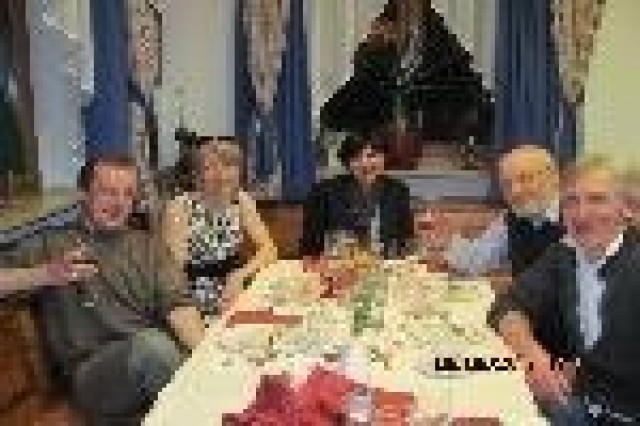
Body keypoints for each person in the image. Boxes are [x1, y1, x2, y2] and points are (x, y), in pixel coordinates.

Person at [0, 155, 205, 424]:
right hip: (93, 377)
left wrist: (207, 358)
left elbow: (180, 307)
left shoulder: (147, 246)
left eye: (128, 194)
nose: (119, 203)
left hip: (153, 362)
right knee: (151, 347)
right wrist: (46, 274)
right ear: (84, 194)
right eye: (108, 191)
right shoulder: (52, 243)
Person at [487, 156, 640, 424]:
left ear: (626, 209)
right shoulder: (564, 254)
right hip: (581, 399)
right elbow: (509, 304)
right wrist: (533, 355)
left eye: (597, 199)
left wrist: (578, 373)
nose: (581, 214)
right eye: (571, 201)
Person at [161, 136, 277, 320]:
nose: (221, 175)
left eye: (229, 165)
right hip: (192, 300)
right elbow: (174, 272)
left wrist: (240, 276)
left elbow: (269, 250)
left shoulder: (241, 200)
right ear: (197, 175)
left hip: (235, 290)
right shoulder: (180, 207)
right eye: (210, 167)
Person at [445, 144, 564, 277]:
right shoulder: (512, 218)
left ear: (554, 177)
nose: (515, 191)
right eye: (507, 184)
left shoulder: (573, 216)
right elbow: (475, 262)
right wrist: (450, 235)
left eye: (525, 179)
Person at [300, 131, 412, 259]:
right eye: (356, 157)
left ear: (384, 158)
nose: (364, 164)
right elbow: (310, 245)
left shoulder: (398, 191)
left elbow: (405, 241)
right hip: (339, 264)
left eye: (372, 156)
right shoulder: (324, 192)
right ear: (347, 162)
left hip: (385, 264)